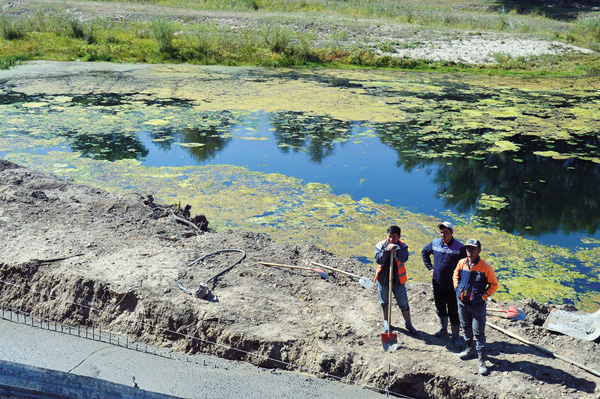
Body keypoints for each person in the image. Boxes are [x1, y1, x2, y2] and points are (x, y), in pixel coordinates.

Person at [453, 239, 499, 376]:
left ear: (479, 250)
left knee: (478, 332)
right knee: (465, 327)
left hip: (477, 306)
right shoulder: (461, 263)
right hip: (462, 302)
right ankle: (469, 349)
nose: (470, 251)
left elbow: (494, 285)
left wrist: (483, 296)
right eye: (468, 248)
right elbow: (455, 276)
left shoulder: (486, 267)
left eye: (473, 248)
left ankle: (481, 360)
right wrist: (457, 288)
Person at [421, 221, 465, 347]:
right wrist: (430, 268)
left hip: (452, 286)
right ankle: (443, 329)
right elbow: (424, 252)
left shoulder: (459, 247)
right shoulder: (435, 243)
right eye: (441, 232)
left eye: (445, 232)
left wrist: (460, 281)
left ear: (451, 232)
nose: (443, 235)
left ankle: (456, 337)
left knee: (453, 310)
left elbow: (464, 265)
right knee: (440, 306)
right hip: (437, 282)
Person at [374, 225, 418, 335]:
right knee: (384, 303)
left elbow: (404, 258)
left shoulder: (403, 246)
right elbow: (378, 259)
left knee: (403, 303)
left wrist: (397, 251)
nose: (391, 240)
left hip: (398, 282)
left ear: (399, 236)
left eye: (394, 237)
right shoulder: (380, 245)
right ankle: (386, 323)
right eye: (389, 237)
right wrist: (386, 251)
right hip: (383, 281)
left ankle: (408, 324)